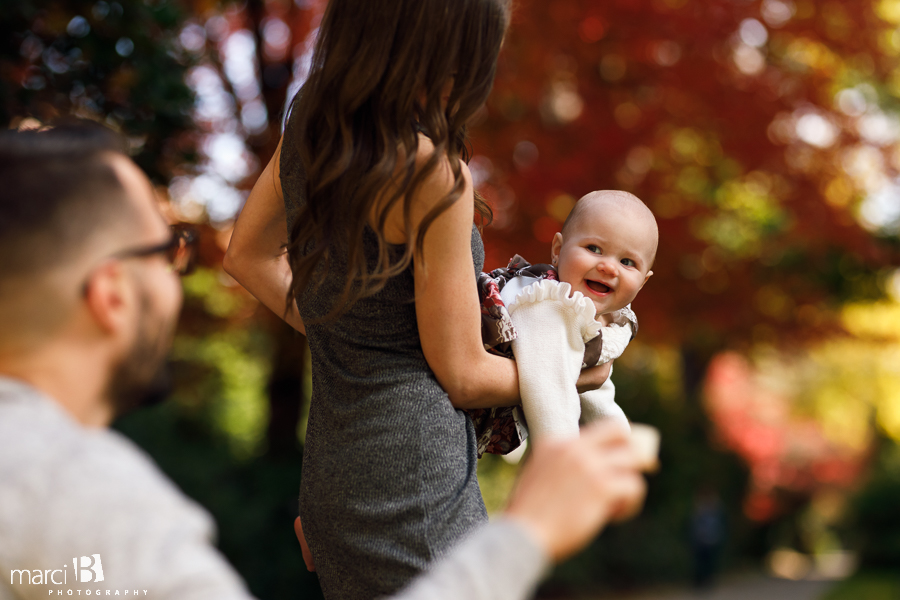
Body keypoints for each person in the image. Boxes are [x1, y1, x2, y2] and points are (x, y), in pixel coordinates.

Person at [0, 125, 646, 600]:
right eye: (170, 249)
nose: (179, 273)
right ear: (111, 296)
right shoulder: (89, 506)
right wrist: (528, 533)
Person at [223, 0, 619, 598]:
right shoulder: (433, 175)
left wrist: (351, 338)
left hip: (333, 474)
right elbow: (463, 375)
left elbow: (246, 257)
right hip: (418, 488)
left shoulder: (313, 116)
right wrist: (574, 376)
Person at [471, 190, 657, 453]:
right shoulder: (546, 304)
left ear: (643, 282)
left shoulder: (582, 312)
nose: (609, 267)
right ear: (558, 250)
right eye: (594, 248)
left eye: (627, 262)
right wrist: (564, 466)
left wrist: (621, 447)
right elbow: (551, 397)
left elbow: (596, 392)